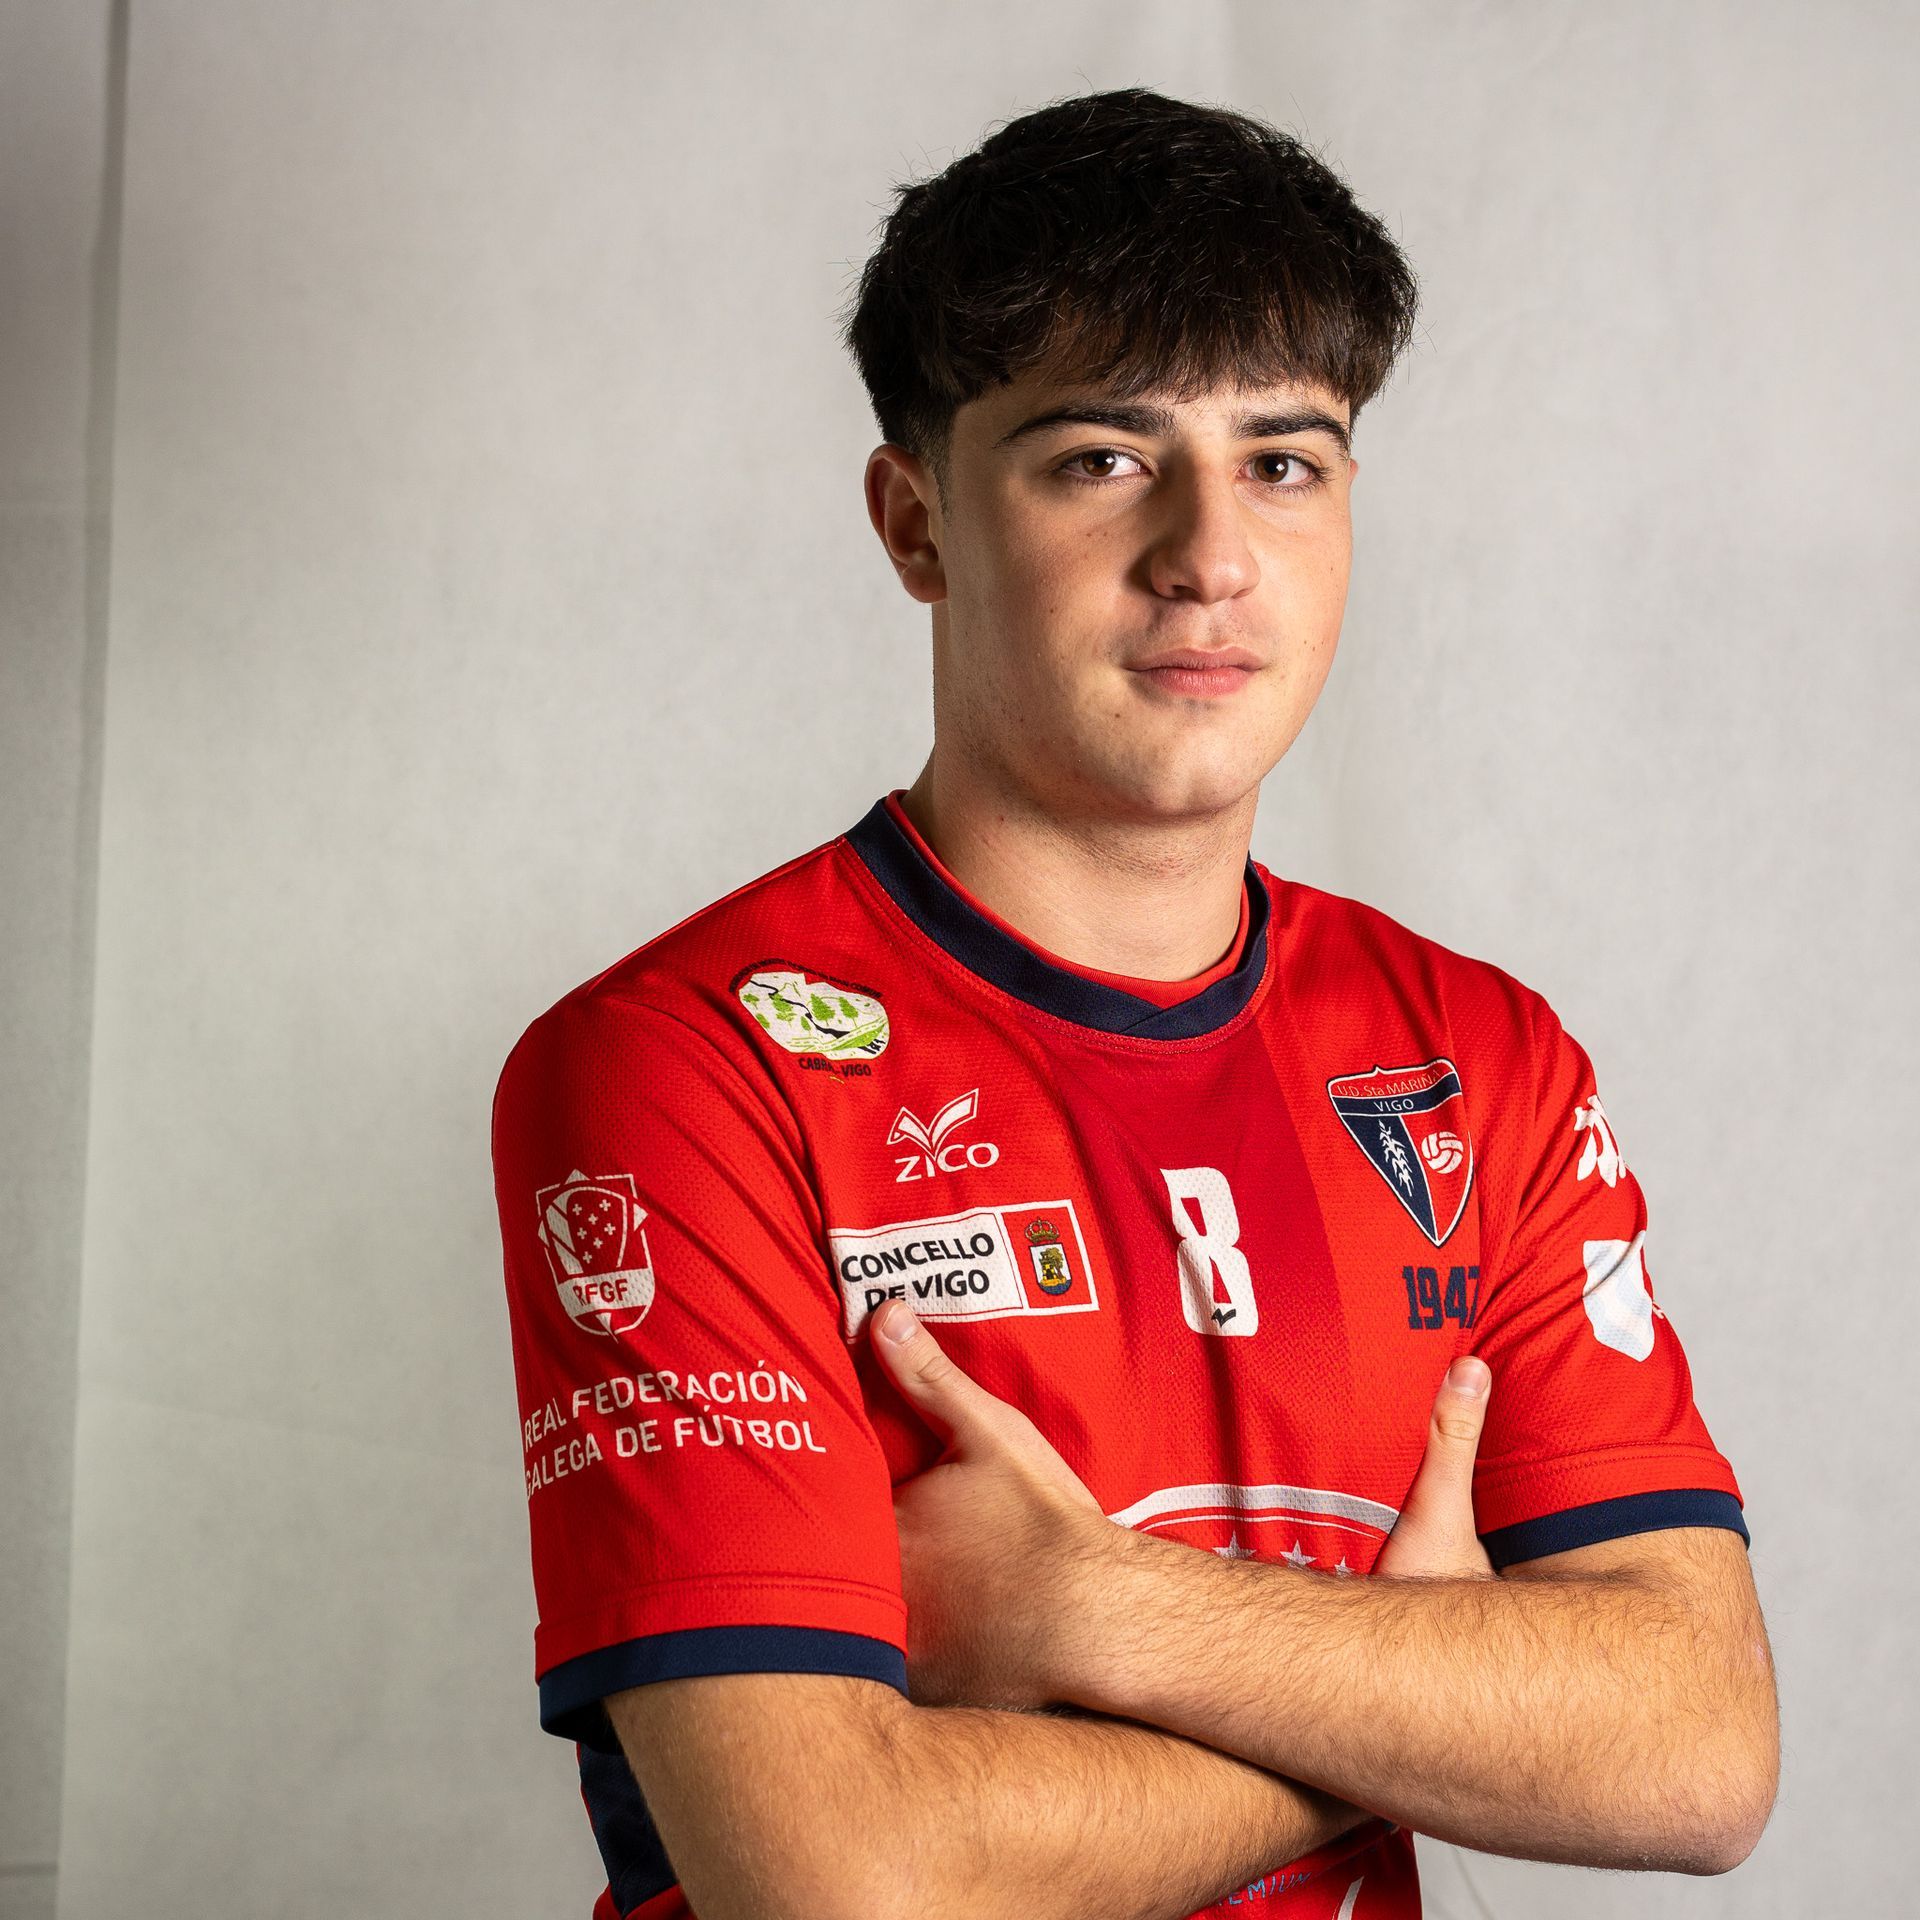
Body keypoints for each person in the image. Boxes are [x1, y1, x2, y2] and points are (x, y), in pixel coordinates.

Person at [489, 86, 1778, 1920]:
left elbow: (1698, 1750)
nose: (1211, 555)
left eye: (1285, 461)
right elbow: (846, 1883)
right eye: (1103, 458)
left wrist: (1085, 1607)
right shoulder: (683, 1064)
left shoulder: (1475, 1058)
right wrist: (1417, 1686)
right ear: (916, 521)